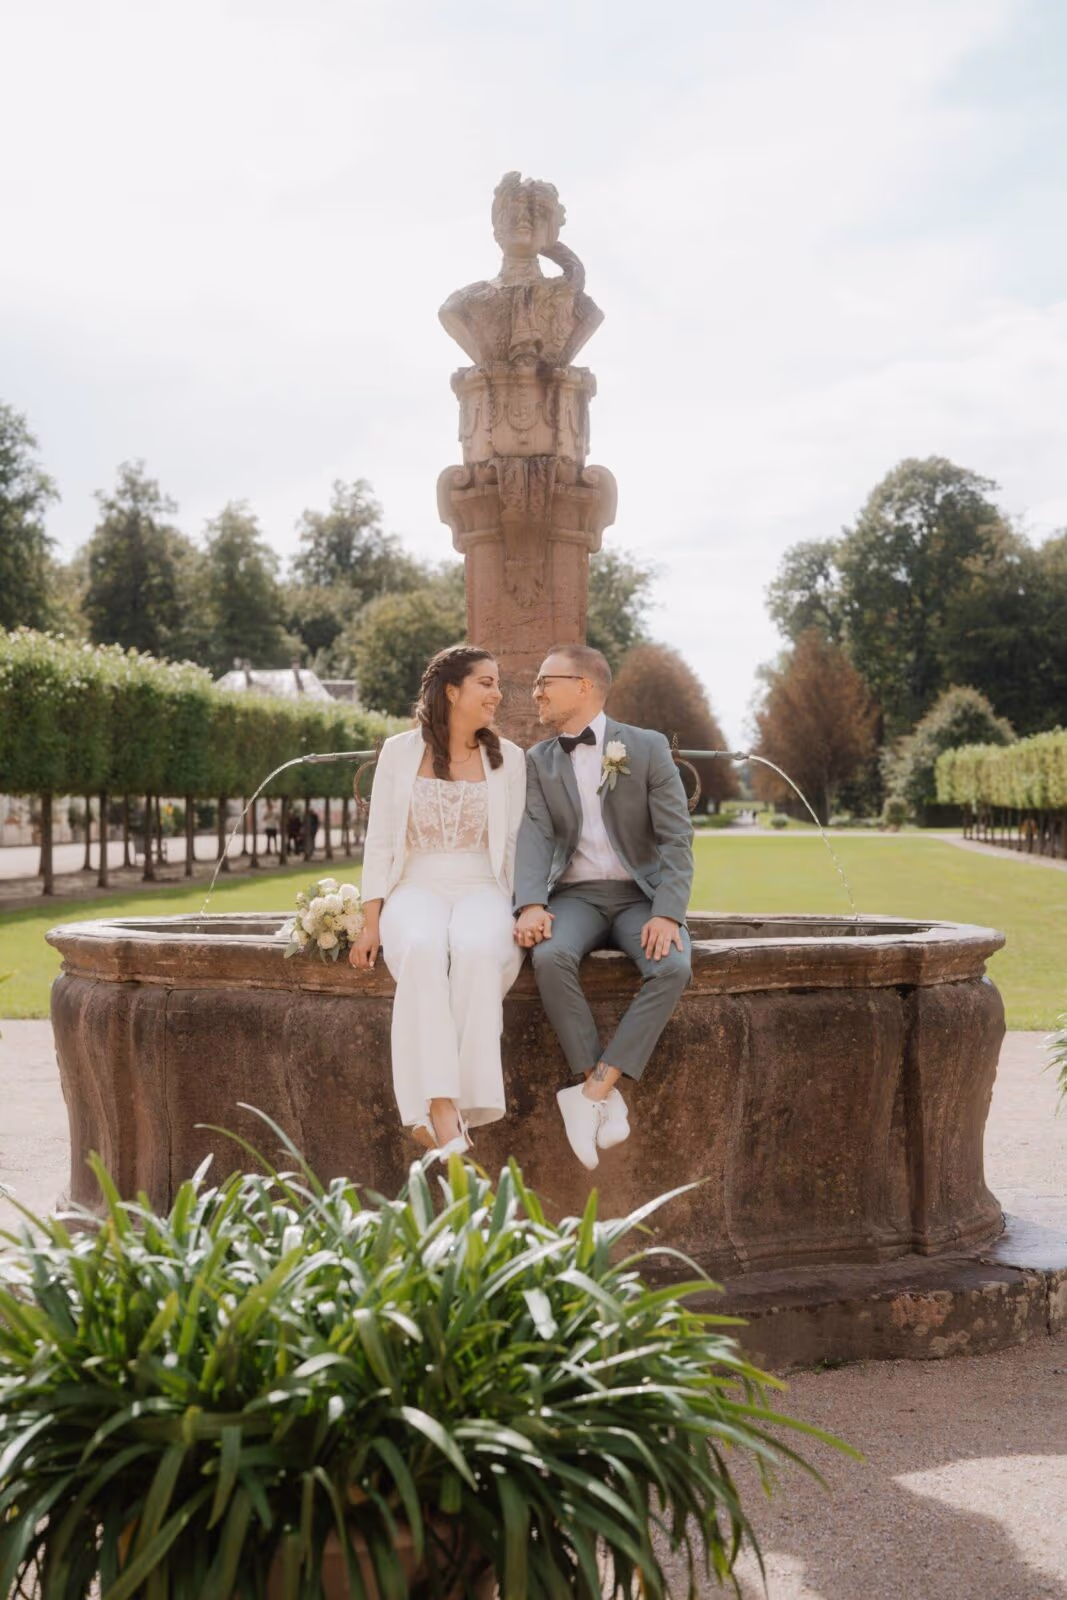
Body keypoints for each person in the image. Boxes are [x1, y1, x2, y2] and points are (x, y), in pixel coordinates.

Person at [513, 644, 694, 1170]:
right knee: (548, 957)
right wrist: (530, 904)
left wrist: (667, 911)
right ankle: (599, 1090)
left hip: (641, 896)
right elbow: (534, 838)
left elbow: (677, 839)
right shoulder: (539, 761)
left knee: (674, 966)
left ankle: (592, 1091)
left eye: (547, 682)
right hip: (576, 897)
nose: (537, 693)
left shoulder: (647, 746)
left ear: (584, 686)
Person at [349, 646, 527, 1155]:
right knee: (424, 949)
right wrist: (370, 923)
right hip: (417, 883)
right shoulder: (398, 752)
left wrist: (528, 905)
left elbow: (515, 846)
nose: (497, 693)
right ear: (452, 690)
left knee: (475, 950)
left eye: (497, 683)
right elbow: (381, 841)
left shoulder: (509, 759)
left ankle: (465, 1105)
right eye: (486, 683)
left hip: (484, 885)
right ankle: (440, 1109)